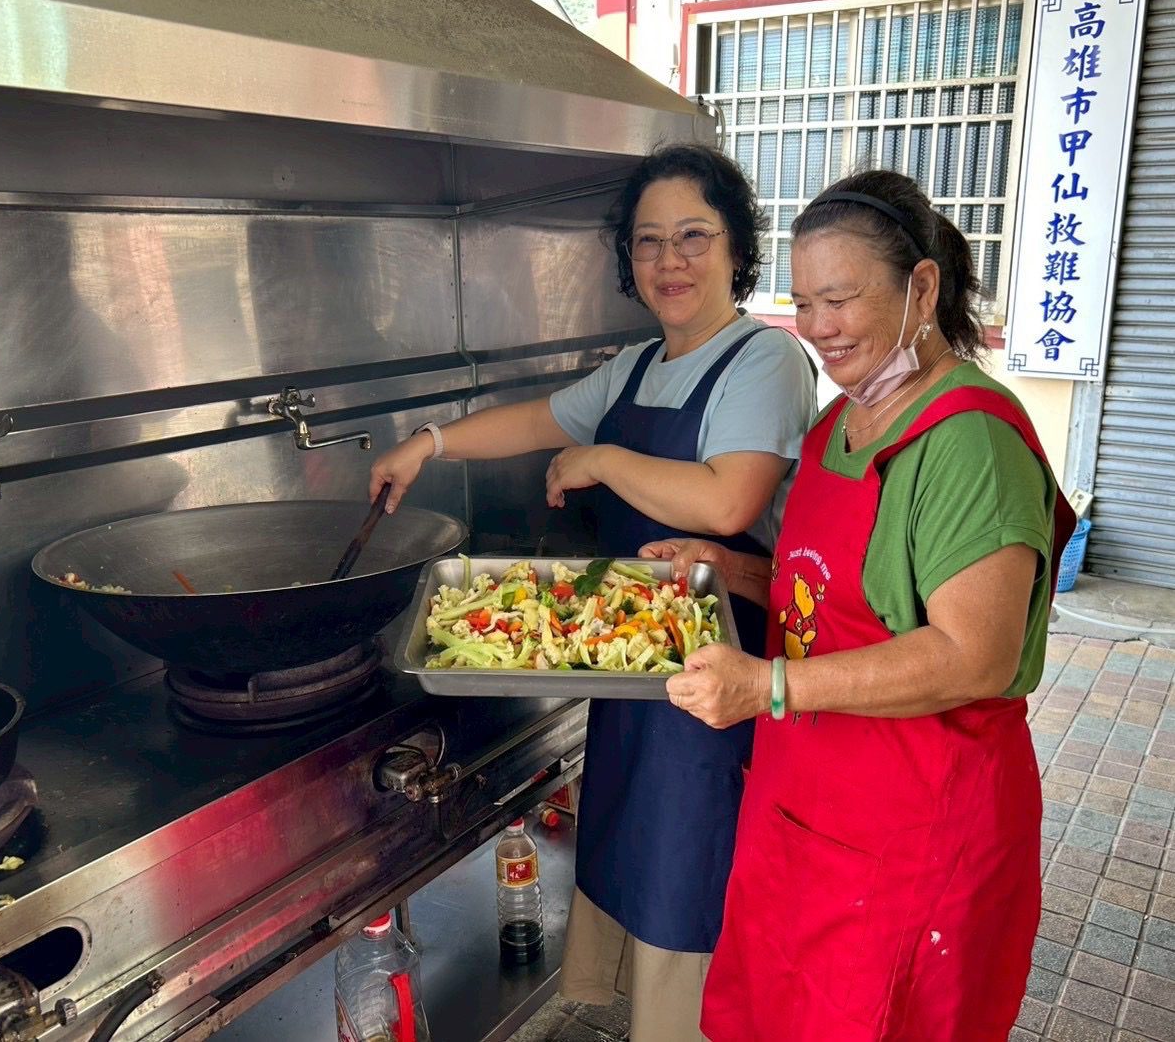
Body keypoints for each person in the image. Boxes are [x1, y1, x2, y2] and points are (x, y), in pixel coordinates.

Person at [370, 143, 816, 1041]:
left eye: (694, 235)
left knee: (691, 876)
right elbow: (540, 420)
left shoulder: (762, 362)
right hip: (635, 669)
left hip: (716, 685)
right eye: (648, 242)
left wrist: (605, 460)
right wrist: (428, 443)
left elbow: (730, 496)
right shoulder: (641, 364)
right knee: (635, 851)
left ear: (736, 247)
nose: (669, 260)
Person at [648, 170, 1076, 1042]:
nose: (814, 329)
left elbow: (972, 655)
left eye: (839, 299)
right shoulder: (837, 424)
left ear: (921, 287)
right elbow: (836, 601)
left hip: (913, 837)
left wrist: (768, 686)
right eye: (801, 302)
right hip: (803, 818)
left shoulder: (968, 444)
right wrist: (728, 568)